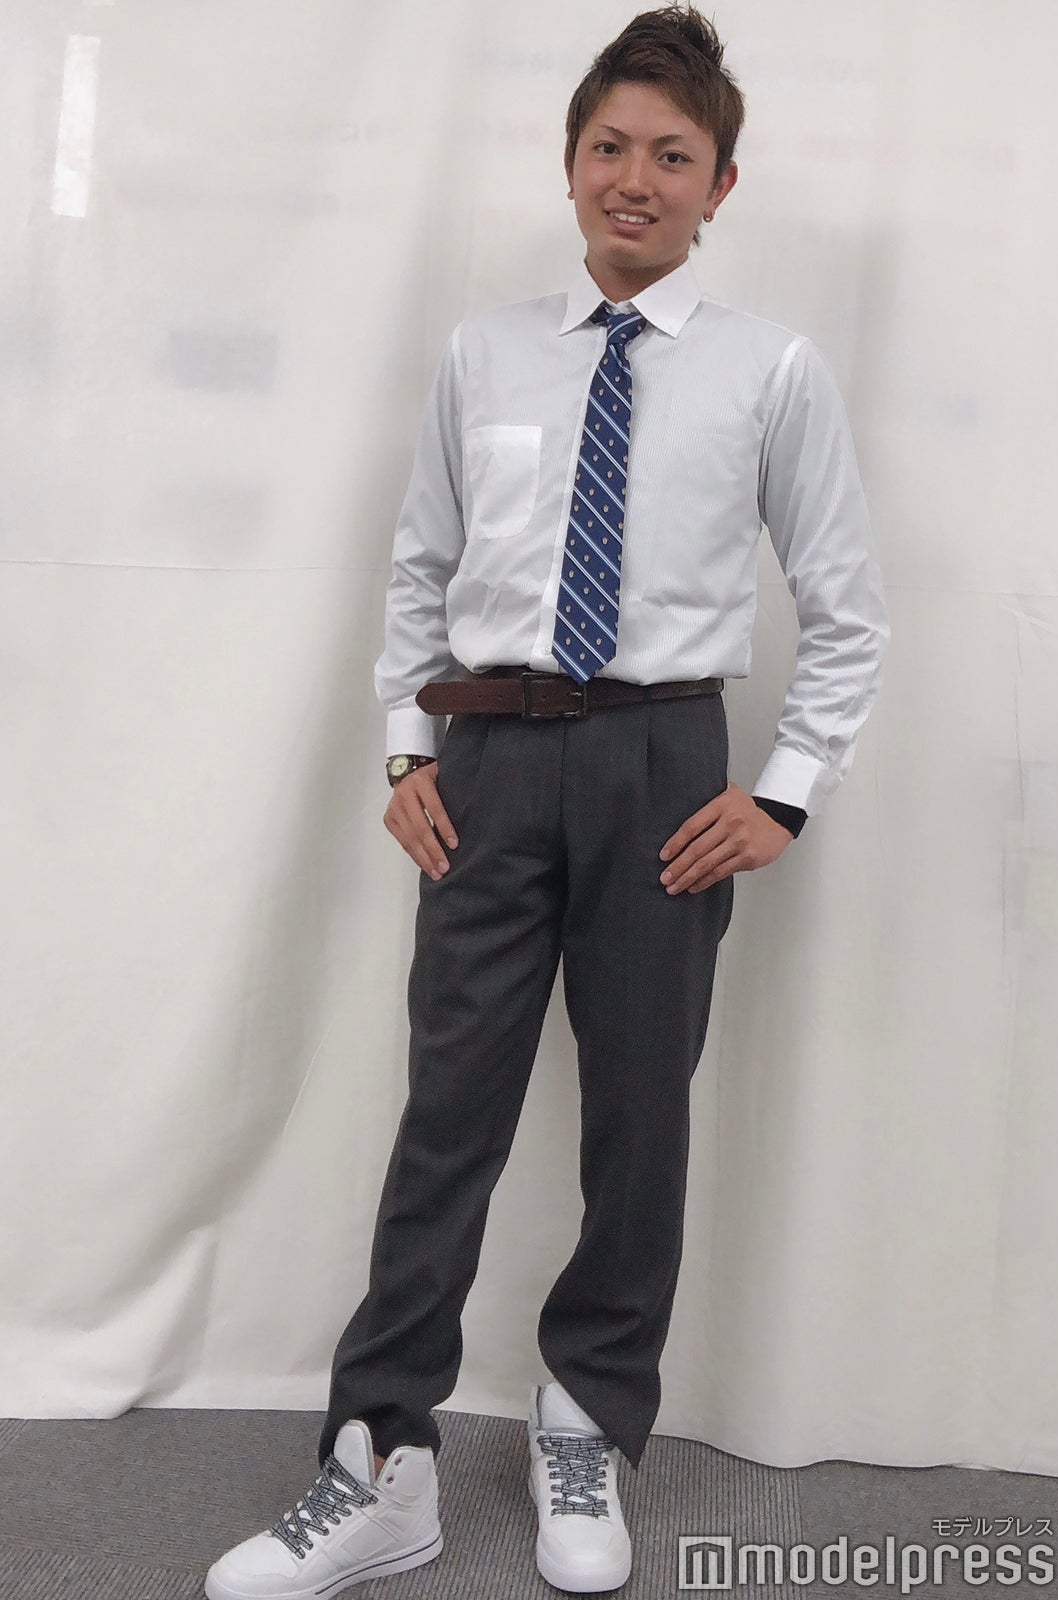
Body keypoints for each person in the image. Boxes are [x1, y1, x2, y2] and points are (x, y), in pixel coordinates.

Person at [205, 5, 889, 1597]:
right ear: (567, 161)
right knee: (447, 1113)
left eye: (672, 156)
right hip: (492, 763)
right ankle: (380, 1459)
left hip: (664, 767)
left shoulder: (770, 371)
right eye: (608, 147)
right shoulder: (484, 353)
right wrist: (406, 753)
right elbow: (421, 568)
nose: (634, 179)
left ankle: (586, 1419)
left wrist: (783, 795)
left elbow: (847, 610)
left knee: (640, 1115)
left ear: (720, 184)